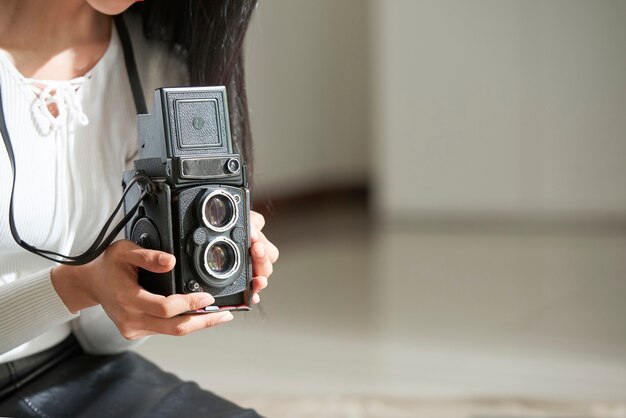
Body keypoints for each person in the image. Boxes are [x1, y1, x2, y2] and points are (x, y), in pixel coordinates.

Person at [0, 0, 278, 416]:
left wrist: (148, 287)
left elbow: (100, 341)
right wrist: (78, 286)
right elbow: (81, 289)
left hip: (74, 368)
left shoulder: (157, 74)